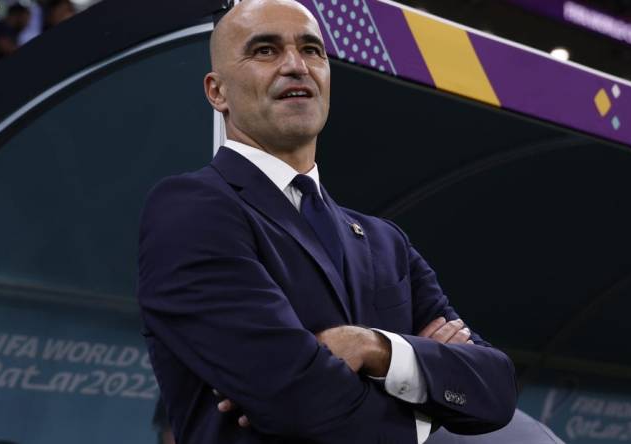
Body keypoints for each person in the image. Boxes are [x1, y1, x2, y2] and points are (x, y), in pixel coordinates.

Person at [136, 0, 518, 442]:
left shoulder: (384, 241)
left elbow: (496, 389)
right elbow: (294, 395)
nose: (296, 65)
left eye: (312, 49)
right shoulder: (191, 209)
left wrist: (376, 348)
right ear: (217, 91)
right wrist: (423, 415)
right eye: (265, 50)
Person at [0, 4, 30, 71]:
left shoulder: (12, 31)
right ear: (17, 15)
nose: (27, 23)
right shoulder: (0, 27)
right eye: (25, 19)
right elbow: (6, 48)